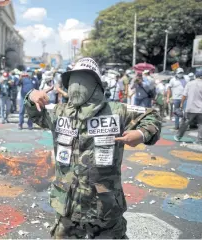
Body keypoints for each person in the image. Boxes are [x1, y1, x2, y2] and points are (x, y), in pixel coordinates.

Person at [25, 57, 161, 239]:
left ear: (95, 83)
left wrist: (142, 134)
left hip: (103, 208)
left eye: (84, 78)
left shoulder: (116, 111)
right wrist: (32, 96)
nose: (77, 85)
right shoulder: (60, 112)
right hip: (68, 206)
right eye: (74, 79)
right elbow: (35, 114)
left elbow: (151, 116)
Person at [175, 71, 202, 145]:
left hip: (190, 107)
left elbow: (184, 95)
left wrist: (181, 104)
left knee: (185, 122)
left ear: (196, 76)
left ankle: (178, 136)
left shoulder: (190, 83)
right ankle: (199, 141)